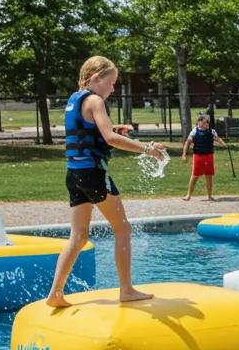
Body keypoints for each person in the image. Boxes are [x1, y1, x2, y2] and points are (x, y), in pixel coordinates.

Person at [46, 56, 168, 309]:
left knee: (78, 237)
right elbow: (109, 138)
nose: (113, 88)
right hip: (93, 174)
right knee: (122, 229)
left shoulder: (74, 99)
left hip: (74, 175)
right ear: (95, 79)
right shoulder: (95, 100)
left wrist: (114, 127)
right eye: (110, 82)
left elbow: (89, 129)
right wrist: (148, 148)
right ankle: (126, 290)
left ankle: (55, 293)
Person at [181, 113, 226, 201]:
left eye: (208, 122)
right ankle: (188, 195)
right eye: (205, 122)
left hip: (209, 156)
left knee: (209, 176)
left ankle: (209, 196)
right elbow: (187, 143)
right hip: (198, 156)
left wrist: (223, 143)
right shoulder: (194, 131)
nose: (207, 124)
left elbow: (217, 138)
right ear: (200, 122)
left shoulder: (211, 131)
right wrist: (184, 154)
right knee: (194, 176)